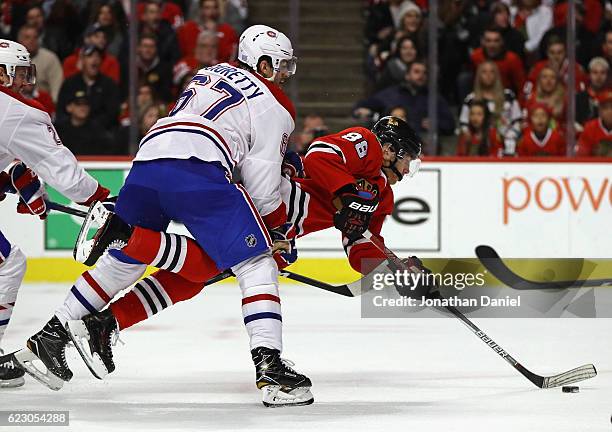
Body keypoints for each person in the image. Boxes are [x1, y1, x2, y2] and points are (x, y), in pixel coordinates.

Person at [10, 25, 311, 408]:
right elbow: (262, 175)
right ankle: (271, 369)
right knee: (256, 262)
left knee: (123, 262)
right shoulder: (275, 102)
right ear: (263, 63)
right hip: (198, 166)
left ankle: (53, 334)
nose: (285, 74)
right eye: (282, 65)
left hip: (148, 158)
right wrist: (278, 228)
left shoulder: (210, 71)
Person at [64, 116, 426, 397]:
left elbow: (360, 246)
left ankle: (106, 322)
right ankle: (128, 237)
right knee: (209, 268)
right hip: (261, 203)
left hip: (277, 228)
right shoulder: (368, 146)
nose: (408, 170)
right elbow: (319, 156)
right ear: (392, 147)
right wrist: (346, 195)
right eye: (409, 158)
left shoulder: (384, 197)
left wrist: (392, 270)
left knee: (194, 278)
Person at [0, 39, 109, 388]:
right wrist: (99, 197)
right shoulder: (17, 111)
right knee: (9, 264)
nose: (23, 82)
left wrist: (12, 181)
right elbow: (60, 168)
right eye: (17, 74)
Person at [354, 60, 455, 137]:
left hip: (425, 147)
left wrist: (436, 124)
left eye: (424, 73)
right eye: (417, 72)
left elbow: (450, 124)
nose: (421, 76)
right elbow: (361, 107)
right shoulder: (391, 94)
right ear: (407, 75)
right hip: (394, 144)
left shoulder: (434, 98)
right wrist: (363, 112)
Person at [459, 61, 522, 155]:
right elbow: (463, 124)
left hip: (508, 141)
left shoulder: (508, 95)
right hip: (480, 143)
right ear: (479, 76)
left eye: (492, 72)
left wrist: (510, 135)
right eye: (484, 72)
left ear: (497, 75)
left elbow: (517, 120)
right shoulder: (471, 99)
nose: (488, 75)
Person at [56, 44, 121, 129]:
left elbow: (112, 114)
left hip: (101, 133)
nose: (94, 60)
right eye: (90, 56)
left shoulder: (109, 85)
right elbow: (61, 110)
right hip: (72, 131)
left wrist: (90, 126)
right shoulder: (70, 83)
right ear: (82, 60)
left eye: (97, 56)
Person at [54, 90, 115, 155]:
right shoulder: (59, 129)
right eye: (78, 104)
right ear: (69, 107)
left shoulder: (97, 130)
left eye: (86, 104)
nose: (83, 107)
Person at [470, 26, 525, 96]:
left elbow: (521, 86)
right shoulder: (475, 56)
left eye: (496, 41)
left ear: (502, 42)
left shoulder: (512, 59)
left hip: (506, 96)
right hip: (482, 95)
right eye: (488, 41)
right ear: (482, 42)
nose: (492, 45)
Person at [16, 24, 63, 102]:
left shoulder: (50, 58)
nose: (32, 41)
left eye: (35, 37)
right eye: (27, 37)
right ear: (19, 41)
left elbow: (57, 89)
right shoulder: (11, 59)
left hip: (44, 103)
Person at [575, 90, 612, 157]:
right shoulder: (590, 128)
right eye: (606, 108)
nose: (610, 111)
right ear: (600, 111)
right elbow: (581, 157)